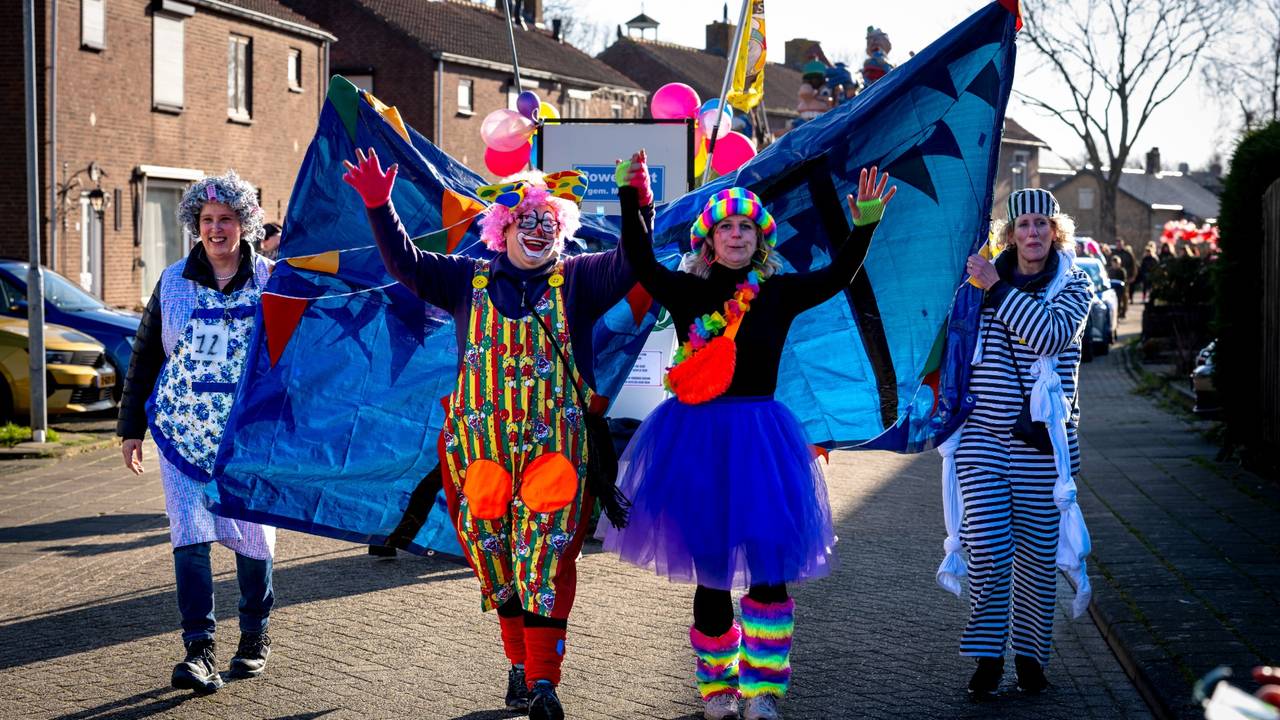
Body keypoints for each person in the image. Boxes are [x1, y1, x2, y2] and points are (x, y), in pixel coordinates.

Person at [341, 147, 637, 720]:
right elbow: (407, 263)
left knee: (546, 559)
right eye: (525, 220)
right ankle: (520, 665)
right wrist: (380, 206)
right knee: (497, 561)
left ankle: (545, 681)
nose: (537, 230)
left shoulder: (578, 280)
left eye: (548, 221)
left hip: (556, 451)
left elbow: (630, 261)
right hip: (481, 457)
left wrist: (636, 202)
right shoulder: (464, 279)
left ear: (562, 227)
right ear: (502, 227)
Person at [600, 155, 895, 720]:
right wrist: (632, 199)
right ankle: (717, 689)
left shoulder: (779, 293)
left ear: (761, 240)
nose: (736, 235)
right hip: (697, 441)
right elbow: (638, 259)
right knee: (710, 572)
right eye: (725, 227)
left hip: (762, 439)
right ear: (709, 241)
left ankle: (762, 690)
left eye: (747, 228)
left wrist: (865, 225)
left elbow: (838, 277)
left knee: (768, 569)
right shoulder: (686, 291)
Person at [117, 171, 276, 695]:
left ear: (245, 223)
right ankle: (199, 649)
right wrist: (130, 429)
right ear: (194, 225)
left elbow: (299, 355)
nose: (216, 229)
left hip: (247, 440)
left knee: (254, 540)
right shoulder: (171, 283)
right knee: (189, 537)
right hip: (181, 434)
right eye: (207, 220)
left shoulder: (272, 280)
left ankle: (253, 635)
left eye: (226, 219)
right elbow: (145, 357)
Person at [953, 188, 1093, 698]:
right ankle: (988, 658)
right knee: (988, 547)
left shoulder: (1073, 285)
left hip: (1042, 446)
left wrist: (997, 290)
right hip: (982, 439)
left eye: (1041, 223)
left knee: (1036, 558)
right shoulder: (979, 280)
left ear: (1055, 231)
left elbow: (1051, 335)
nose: (1032, 233)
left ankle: (1031, 658)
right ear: (1008, 234)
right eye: (1022, 225)